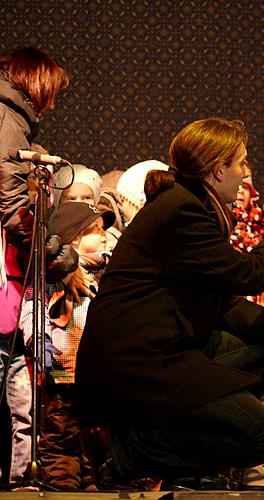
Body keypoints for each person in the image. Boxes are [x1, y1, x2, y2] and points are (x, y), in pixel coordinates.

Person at [74, 118, 264, 489]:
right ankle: (133, 450)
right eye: (241, 163)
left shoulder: (191, 205)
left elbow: (219, 302)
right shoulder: (181, 210)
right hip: (137, 362)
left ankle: (180, 464)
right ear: (218, 170)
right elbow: (246, 274)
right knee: (261, 437)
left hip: (162, 349)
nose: (245, 174)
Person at [0, 46, 74, 485]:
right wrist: (49, 249)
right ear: (36, 82)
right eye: (52, 92)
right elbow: (9, 204)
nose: (52, 103)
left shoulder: (13, 121)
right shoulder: (8, 119)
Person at [20, 202, 114, 490]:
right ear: (73, 239)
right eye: (95, 229)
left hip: (96, 378)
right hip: (63, 371)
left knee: (95, 441)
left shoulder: (106, 276)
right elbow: (31, 310)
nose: (103, 235)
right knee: (62, 437)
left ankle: (91, 487)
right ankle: (63, 489)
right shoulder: (50, 279)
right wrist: (41, 344)